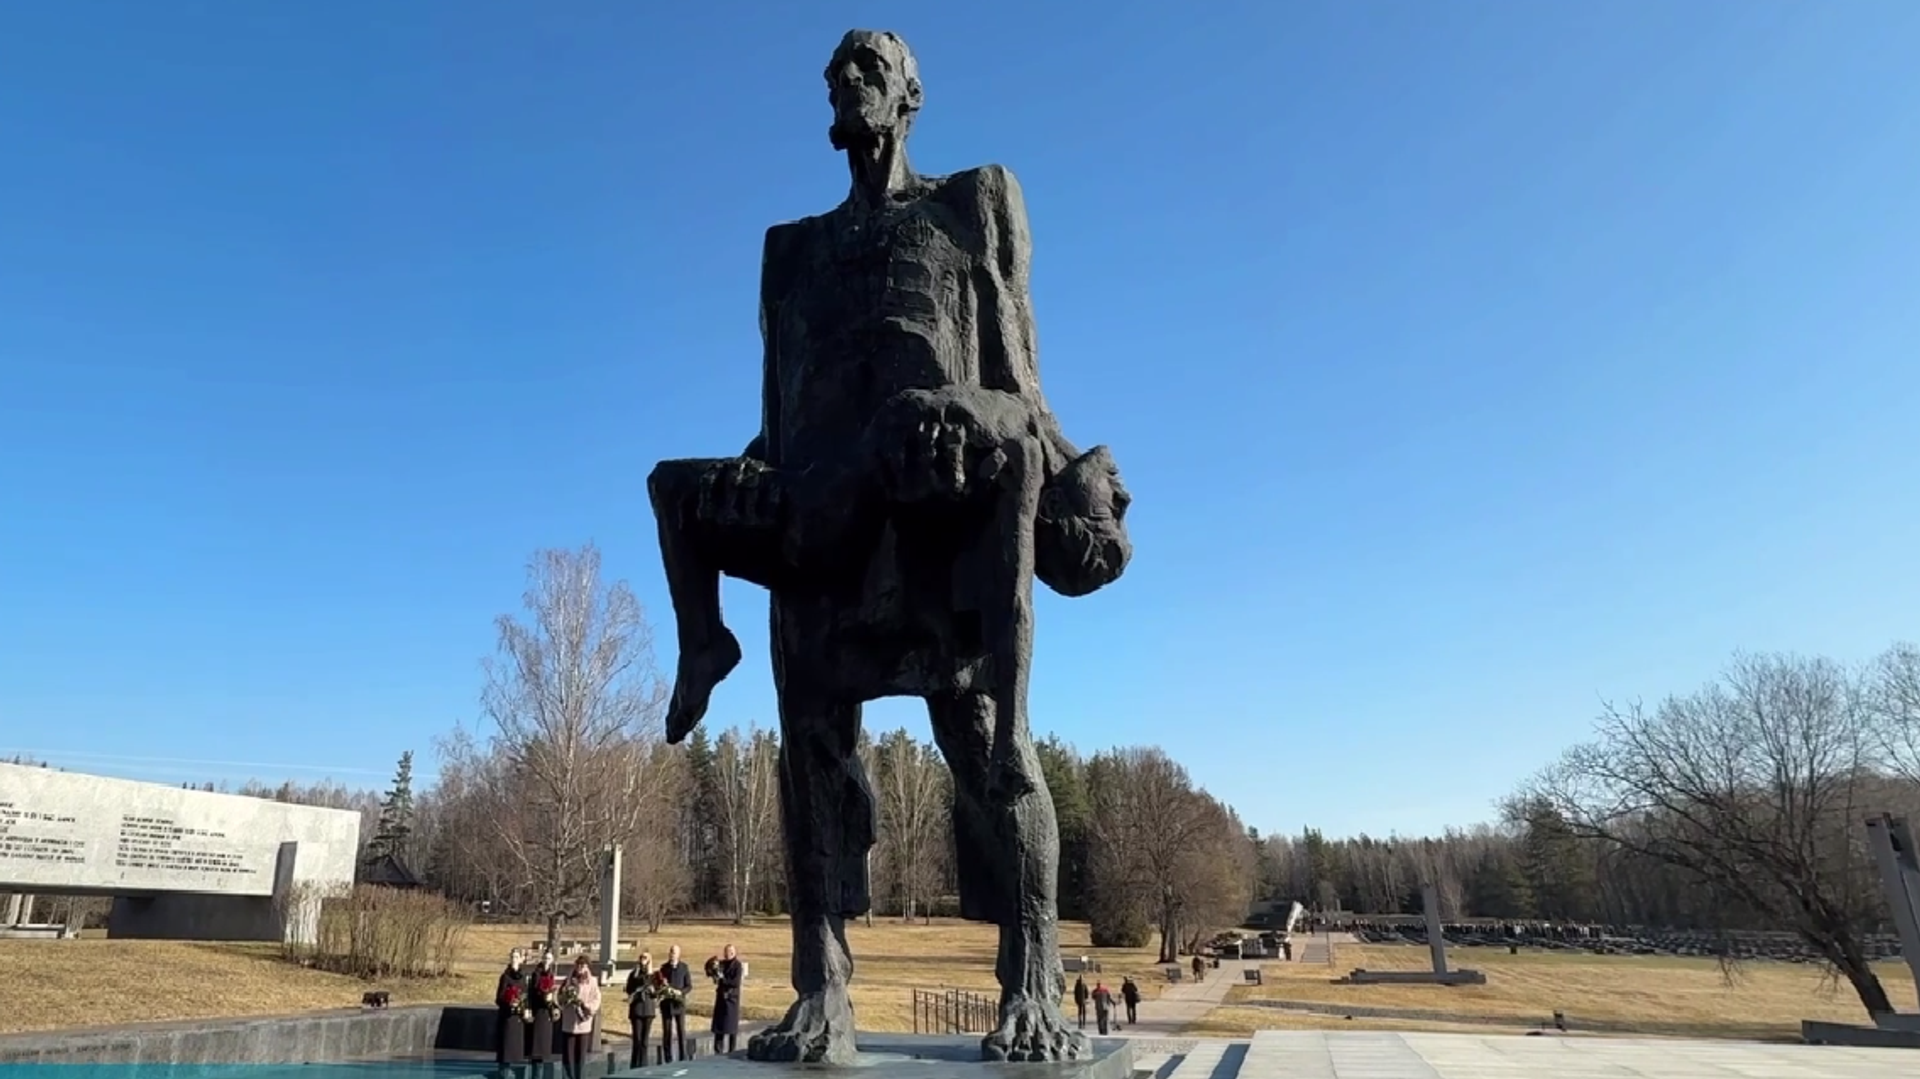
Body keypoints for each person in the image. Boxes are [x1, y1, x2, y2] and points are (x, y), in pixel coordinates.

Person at [645, 29, 1132, 1066]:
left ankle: (1033, 983)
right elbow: (780, 409)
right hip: (821, 527)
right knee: (810, 752)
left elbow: (1020, 379)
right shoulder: (791, 250)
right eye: (835, 73)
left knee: (993, 749)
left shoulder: (973, 202)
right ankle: (821, 989)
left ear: (910, 95)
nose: (845, 83)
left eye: (868, 69)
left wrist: (1027, 449)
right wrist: (748, 479)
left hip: (940, 516)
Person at [559, 954, 601, 1079]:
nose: (580, 967)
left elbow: (596, 999)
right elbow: (560, 997)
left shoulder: (592, 981)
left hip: (583, 1023)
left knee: (580, 1057)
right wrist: (566, 999)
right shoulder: (568, 979)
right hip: (569, 1023)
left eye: (583, 965)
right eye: (578, 965)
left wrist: (587, 1006)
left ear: (587, 967)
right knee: (568, 1057)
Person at [493, 948, 530, 1079]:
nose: (514, 959)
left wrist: (525, 1008)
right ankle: (504, 1073)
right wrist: (509, 1002)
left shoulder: (523, 977)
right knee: (506, 1053)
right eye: (512, 957)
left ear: (521, 959)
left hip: (518, 1020)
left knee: (517, 1054)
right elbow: (498, 998)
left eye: (516, 957)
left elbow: (526, 996)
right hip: (507, 1019)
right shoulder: (505, 977)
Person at [526, 951, 560, 1077]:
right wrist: (543, 996)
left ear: (552, 960)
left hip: (547, 1015)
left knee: (544, 1052)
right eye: (545, 958)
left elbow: (554, 994)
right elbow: (533, 993)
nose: (547, 960)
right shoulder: (536, 974)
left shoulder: (551, 974)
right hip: (538, 1013)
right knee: (537, 1050)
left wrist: (554, 1006)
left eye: (549, 958)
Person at [658, 944, 694, 1062]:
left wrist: (681, 992)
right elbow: (659, 984)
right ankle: (667, 1057)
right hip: (667, 1004)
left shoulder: (684, 967)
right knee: (667, 1031)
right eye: (671, 952)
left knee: (681, 1030)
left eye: (674, 952)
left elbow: (689, 986)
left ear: (678, 954)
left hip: (679, 1004)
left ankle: (683, 1056)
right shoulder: (664, 968)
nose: (672, 954)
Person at [708, 943, 745, 1055]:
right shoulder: (722, 964)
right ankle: (718, 1051)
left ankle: (731, 1050)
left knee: (731, 1027)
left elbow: (735, 982)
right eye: (726, 952)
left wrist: (723, 979)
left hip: (731, 999)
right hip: (721, 998)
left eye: (729, 952)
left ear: (733, 953)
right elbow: (712, 973)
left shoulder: (737, 965)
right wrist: (713, 971)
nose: (727, 954)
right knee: (719, 1026)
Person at [623, 950, 658, 1068]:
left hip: (648, 1010)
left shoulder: (653, 975)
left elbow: (656, 993)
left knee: (644, 1041)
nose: (643, 959)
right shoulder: (634, 973)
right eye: (641, 957)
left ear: (649, 960)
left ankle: (644, 1065)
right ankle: (634, 1065)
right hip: (636, 1009)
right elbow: (628, 989)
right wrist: (637, 987)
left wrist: (652, 990)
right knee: (637, 1039)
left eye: (645, 958)